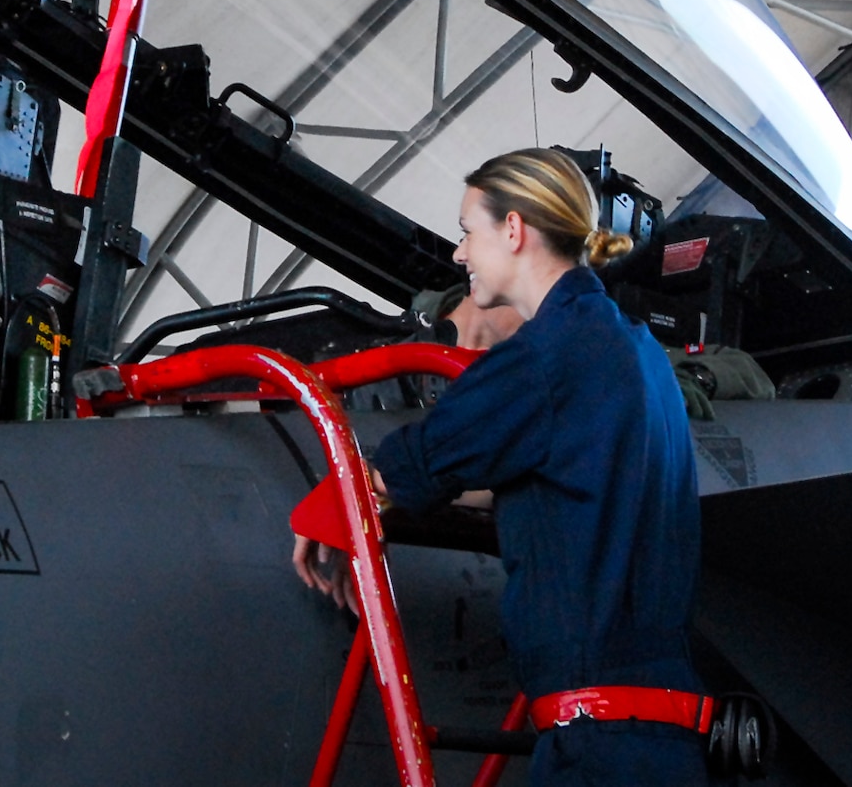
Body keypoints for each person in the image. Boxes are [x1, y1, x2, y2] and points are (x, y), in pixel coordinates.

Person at [295, 148, 706, 785]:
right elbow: (563, 488)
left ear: (513, 230)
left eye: (467, 230)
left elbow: (420, 459)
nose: (459, 254)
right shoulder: (637, 350)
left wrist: (327, 510)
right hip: (657, 733)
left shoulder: (548, 356)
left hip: (598, 744)